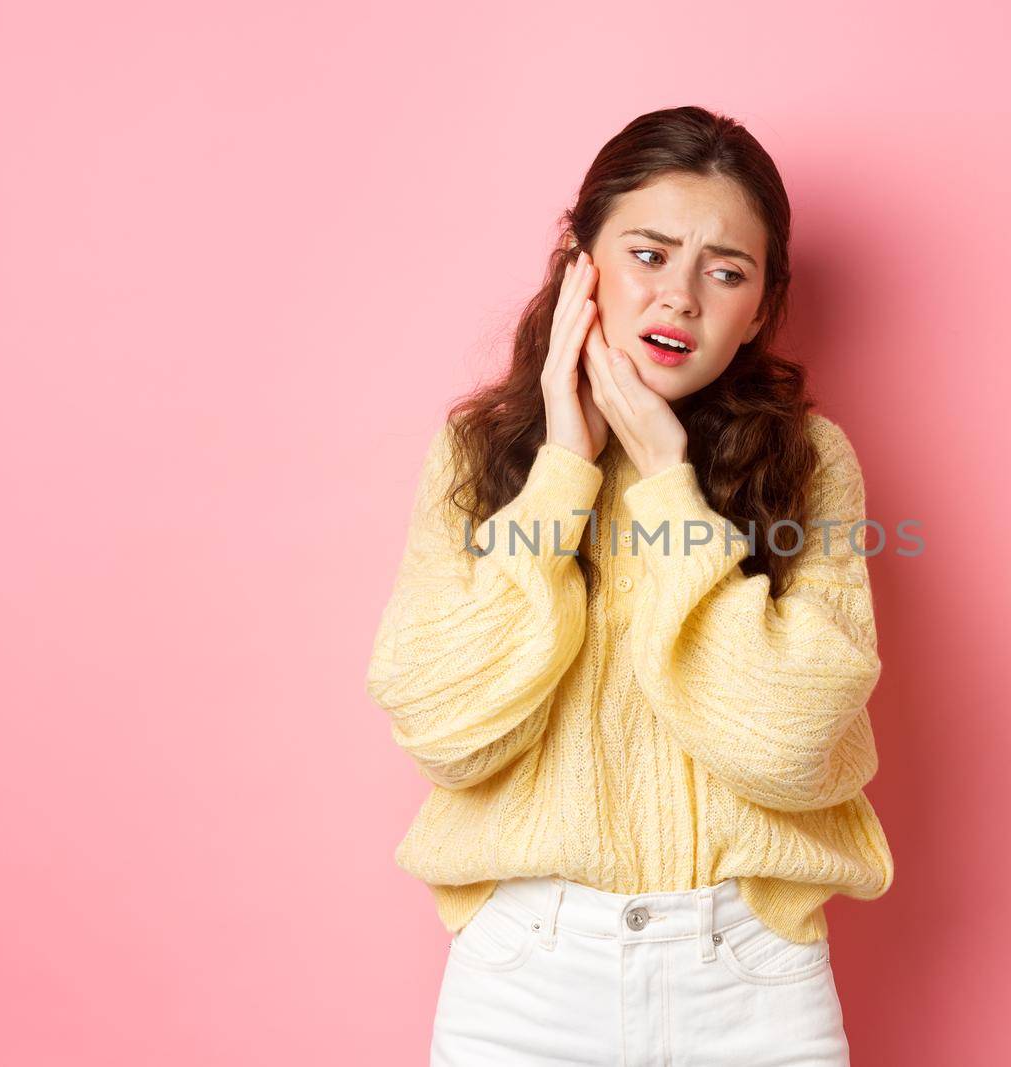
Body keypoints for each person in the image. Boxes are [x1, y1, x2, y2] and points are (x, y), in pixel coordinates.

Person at [365, 105, 893, 1066]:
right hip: (523, 982)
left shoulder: (810, 462)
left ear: (762, 306)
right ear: (581, 261)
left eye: (724, 272)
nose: (680, 298)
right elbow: (445, 727)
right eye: (648, 253)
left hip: (752, 982)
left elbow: (792, 736)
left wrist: (665, 481)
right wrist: (565, 469)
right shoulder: (480, 454)